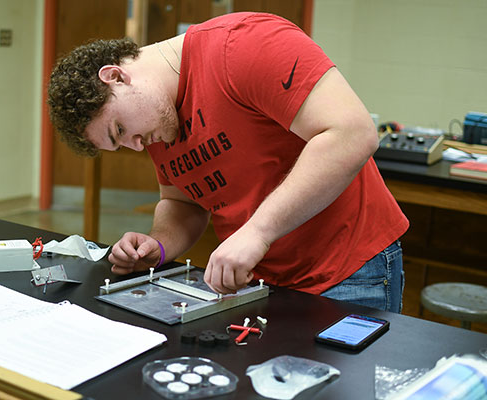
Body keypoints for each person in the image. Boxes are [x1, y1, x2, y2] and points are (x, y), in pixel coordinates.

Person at [47, 12, 409, 312]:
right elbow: (183, 202)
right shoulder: (156, 118)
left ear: (115, 77)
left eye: (120, 130)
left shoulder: (245, 46)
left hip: (350, 271)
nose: (136, 145)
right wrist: (155, 247)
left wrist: (256, 232)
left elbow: (352, 132)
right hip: (259, 278)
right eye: (121, 144)